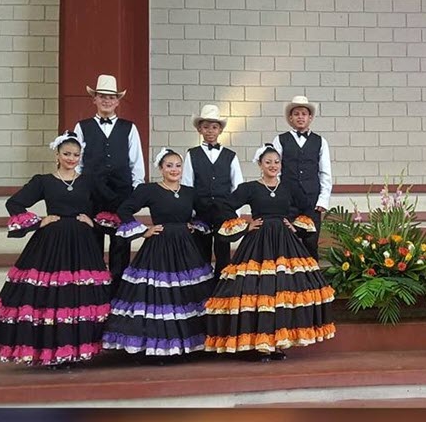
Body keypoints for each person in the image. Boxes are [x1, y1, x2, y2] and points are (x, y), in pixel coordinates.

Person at [0, 132, 111, 368]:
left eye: (76, 155)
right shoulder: (43, 181)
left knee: (79, 295)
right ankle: (51, 351)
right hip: (51, 242)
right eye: (67, 154)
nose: (71, 158)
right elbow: (14, 202)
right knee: (51, 295)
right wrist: (40, 221)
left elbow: (112, 203)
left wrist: (93, 222)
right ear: (57, 155)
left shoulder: (88, 181)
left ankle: (78, 351)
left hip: (82, 243)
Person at [204, 144, 335, 361]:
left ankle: (277, 344)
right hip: (258, 243)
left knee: (282, 290)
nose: (273, 165)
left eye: (276, 162)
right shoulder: (250, 188)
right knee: (258, 289)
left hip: (285, 243)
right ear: (260, 164)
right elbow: (224, 204)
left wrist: (295, 225)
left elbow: (307, 206)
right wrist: (246, 225)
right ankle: (259, 344)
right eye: (268, 162)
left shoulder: (288, 187)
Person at [102, 148, 215, 361]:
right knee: (159, 295)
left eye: (178, 166)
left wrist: (195, 224)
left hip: (186, 249)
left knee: (186, 295)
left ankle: (188, 345)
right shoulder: (149, 190)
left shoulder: (190, 192)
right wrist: (143, 231)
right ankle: (159, 347)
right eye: (169, 166)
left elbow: (206, 211)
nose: (174, 169)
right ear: (161, 169)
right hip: (159, 247)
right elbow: (124, 209)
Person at [73, 74, 145, 293]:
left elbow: (136, 161)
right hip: (92, 193)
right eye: (102, 96)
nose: (106, 100)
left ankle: (118, 290)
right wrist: (78, 189)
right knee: (92, 240)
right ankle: (94, 289)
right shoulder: (82, 126)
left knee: (120, 243)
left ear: (117, 101)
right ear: (94, 99)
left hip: (121, 192)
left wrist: (136, 191)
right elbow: (77, 161)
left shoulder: (129, 128)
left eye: (111, 97)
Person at [182, 104, 244, 277]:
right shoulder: (192, 154)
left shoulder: (230, 155)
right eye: (206, 127)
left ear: (220, 130)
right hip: (200, 210)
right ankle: (203, 283)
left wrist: (235, 212)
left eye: (214, 127)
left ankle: (221, 284)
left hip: (223, 212)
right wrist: (190, 212)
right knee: (201, 250)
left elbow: (237, 186)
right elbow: (187, 184)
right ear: (199, 129)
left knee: (223, 251)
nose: (210, 131)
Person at [271, 96, 332, 260]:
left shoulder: (320, 141)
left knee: (311, 241)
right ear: (290, 118)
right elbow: (274, 170)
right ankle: (288, 274)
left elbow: (325, 172)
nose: (300, 117)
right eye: (296, 114)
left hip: (312, 200)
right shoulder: (280, 140)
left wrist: (323, 200)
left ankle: (312, 274)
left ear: (310, 117)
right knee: (287, 240)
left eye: (304, 114)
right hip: (288, 199)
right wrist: (277, 196)